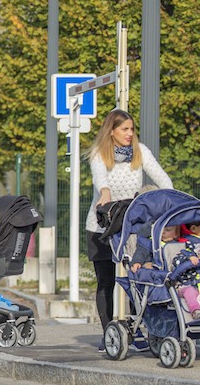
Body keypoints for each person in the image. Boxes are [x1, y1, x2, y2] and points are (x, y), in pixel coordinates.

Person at [85, 109, 173, 351]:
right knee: (106, 281)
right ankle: (109, 333)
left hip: (133, 226)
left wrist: (170, 196)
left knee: (137, 276)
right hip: (103, 224)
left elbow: (162, 177)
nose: (129, 133)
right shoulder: (99, 154)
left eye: (132, 129)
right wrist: (105, 193)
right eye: (124, 129)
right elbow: (100, 179)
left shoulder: (140, 151)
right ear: (111, 131)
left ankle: (137, 328)